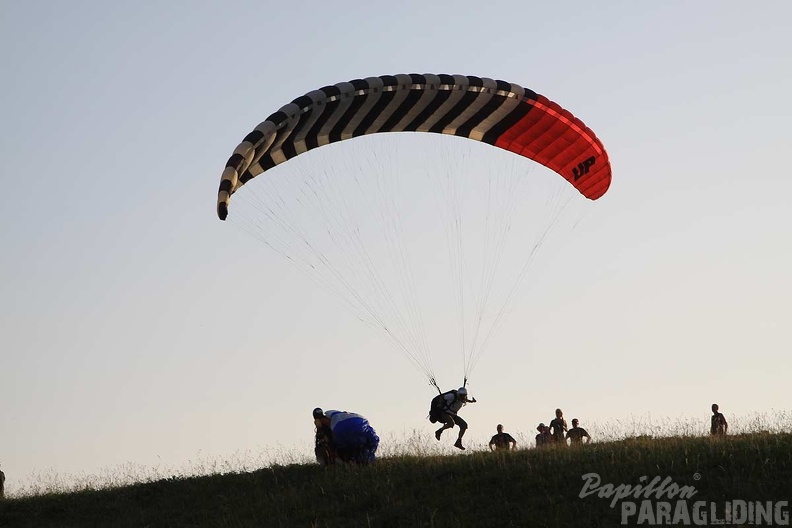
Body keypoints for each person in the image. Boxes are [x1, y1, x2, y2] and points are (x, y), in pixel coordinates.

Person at [313, 408, 379, 464]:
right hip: (360, 422)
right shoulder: (338, 415)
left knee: (344, 450)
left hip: (342, 429)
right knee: (362, 452)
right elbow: (374, 439)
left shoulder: (328, 419)